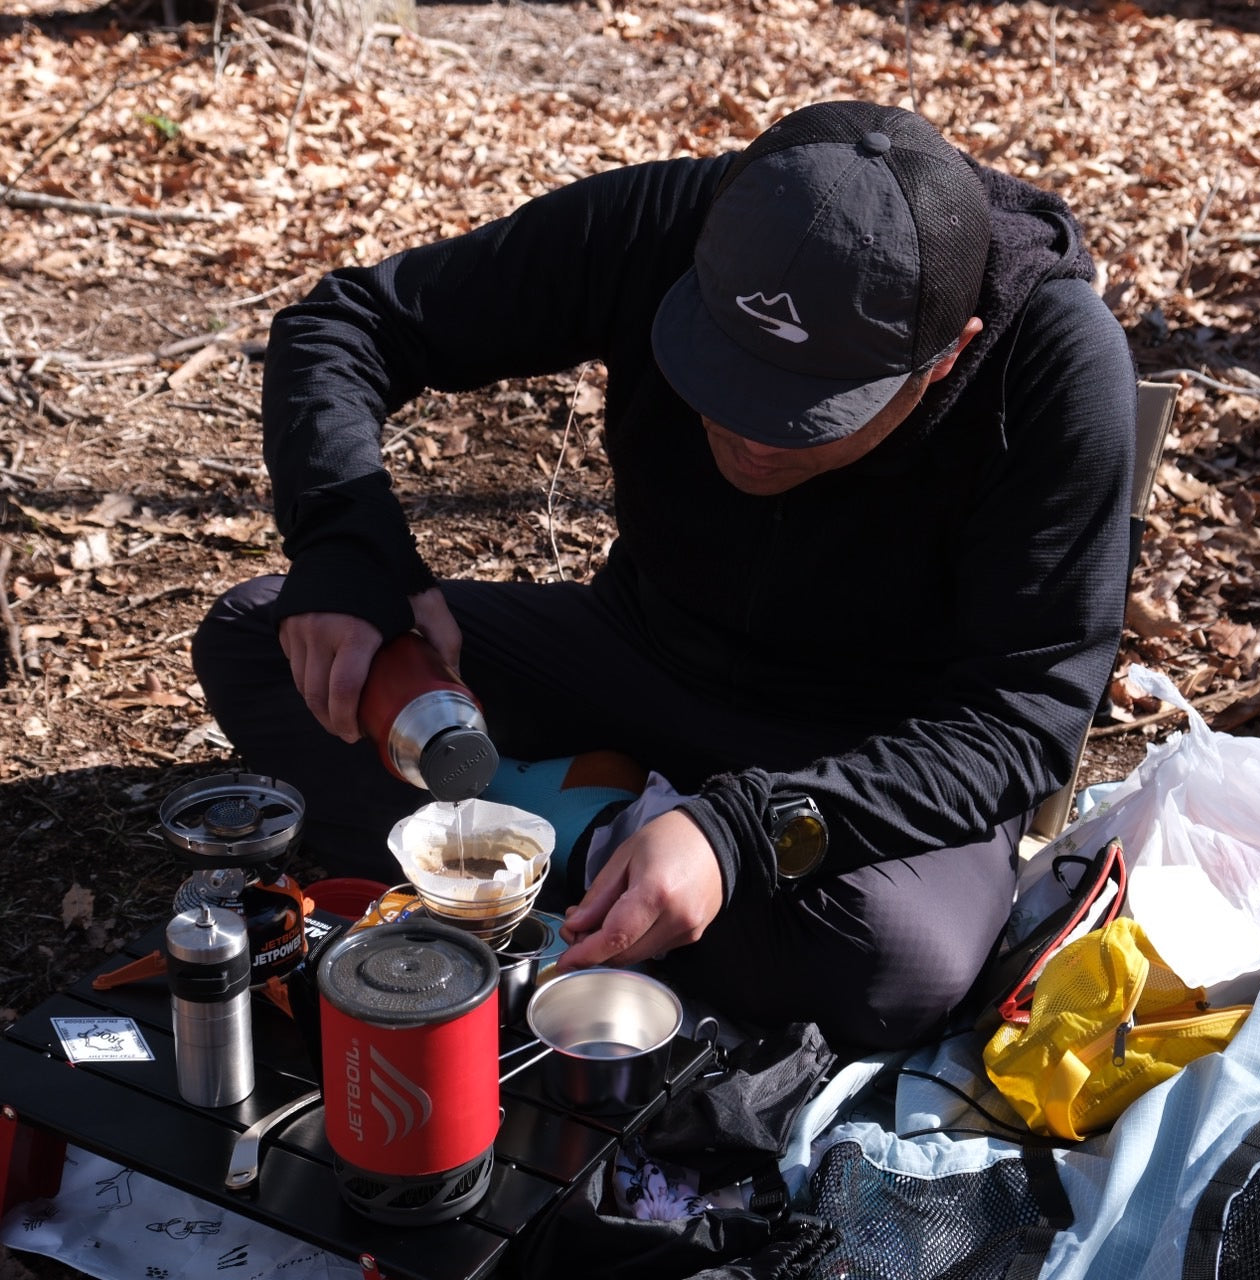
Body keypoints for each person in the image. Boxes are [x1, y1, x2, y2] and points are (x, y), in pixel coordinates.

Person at [193, 99, 1136, 1051]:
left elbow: (1022, 720)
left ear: (946, 360)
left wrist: (743, 835)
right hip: (642, 654)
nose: (749, 435)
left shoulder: (1051, 363)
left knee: (898, 967)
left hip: (873, 751)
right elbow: (351, 322)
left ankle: (533, 850)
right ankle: (600, 844)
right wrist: (346, 546)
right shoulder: (681, 221)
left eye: (809, 410)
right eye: (721, 370)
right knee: (268, 640)